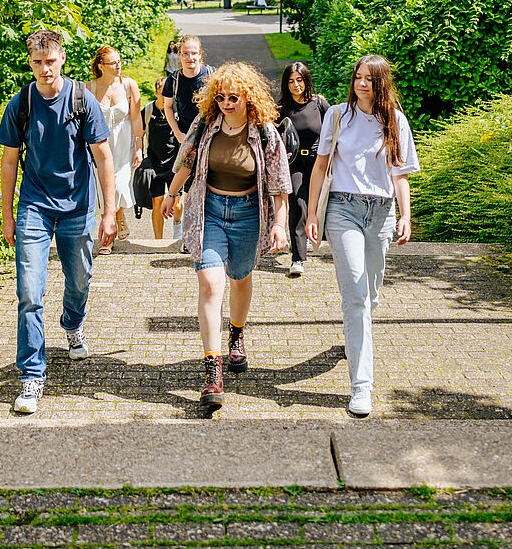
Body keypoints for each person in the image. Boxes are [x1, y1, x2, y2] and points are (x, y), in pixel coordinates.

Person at [0, 30, 117, 416]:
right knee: (30, 294)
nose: (44, 69)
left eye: (50, 61)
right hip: (34, 205)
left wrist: (109, 211)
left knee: (79, 278)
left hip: (77, 206)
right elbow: (10, 161)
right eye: (37, 63)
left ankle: (72, 322)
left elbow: (103, 158)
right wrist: (8, 216)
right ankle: (32, 376)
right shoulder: (21, 104)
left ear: (62, 59)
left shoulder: (83, 101)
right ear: (30, 63)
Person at [162, 62, 291, 411]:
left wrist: (279, 224)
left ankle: (236, 332)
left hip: (249, 213)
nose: (226, 103)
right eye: (220, 97)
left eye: (233, 97)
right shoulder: (205, 126)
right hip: (210, 211)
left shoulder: (264, 132)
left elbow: (280, 186)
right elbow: (185, 162)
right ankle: (212, 371)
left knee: (241, 278)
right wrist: (172, 195)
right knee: (210, 284)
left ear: (249, 98)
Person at [305, 54, 420, 419]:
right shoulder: (338, 115)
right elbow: (321, 166)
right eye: (358, 77)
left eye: (370, 79)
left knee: (370, 295)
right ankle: (361, 386)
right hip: (343, 210)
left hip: (382, 213)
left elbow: (400, 174)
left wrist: (406, 216)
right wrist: (311, 215)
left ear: (382, 83)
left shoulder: (395, 121)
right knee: (355, 295)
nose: (362, 84)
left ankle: (358, 335)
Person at [278, 61, 330, 278]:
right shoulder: (282, 108)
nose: (295, 85)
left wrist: (324, 145)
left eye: (299, 80)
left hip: (319, 162)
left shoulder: (319, 103)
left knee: (318, 203)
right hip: (295, 163)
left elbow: (334, 129)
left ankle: (314, 238)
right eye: (291, 81)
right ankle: (298, 258)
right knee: (298, 204)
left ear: (306, 80)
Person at [87, 45, 143, 240]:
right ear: (101, 66)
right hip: (101, 145)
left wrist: (139, 147)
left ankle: (118, 216)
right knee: (104, 189)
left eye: (119, 62)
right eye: (113, 63)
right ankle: (108, 236)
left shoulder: (129, 85)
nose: (118, 66)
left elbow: (136, 118)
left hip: (124, 144)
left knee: (120, 186)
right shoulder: (90, 88)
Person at [133, 76, 180, 239]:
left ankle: (177, 226)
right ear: (156, 93)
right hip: (155, 163)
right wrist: (138, 152)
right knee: (157, 202)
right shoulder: (147, 111)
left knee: (177, 204)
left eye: (170, 93)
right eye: (163, 92)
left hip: (175, 163)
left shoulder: (177, 111)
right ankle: (158, 241)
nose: (167, 96)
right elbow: (139, 134)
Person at [162, 35, 212, 141]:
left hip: (211, 135)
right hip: (185, 136)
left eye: (194, 53)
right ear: (179, 55)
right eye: (185, 53)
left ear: (200, 54)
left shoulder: (213, 77)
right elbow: (168, 107)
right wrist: (178, 133)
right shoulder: (173, 80)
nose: (190, 58)